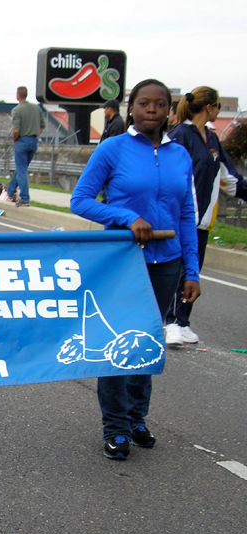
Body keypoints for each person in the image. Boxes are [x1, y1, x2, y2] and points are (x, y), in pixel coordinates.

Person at [70, 78, 201, 460]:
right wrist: (128, 217)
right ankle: (115, 428)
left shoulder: (180, 155)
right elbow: (81, 201)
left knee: (146, 340)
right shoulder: (113, 148)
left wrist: (191, 270)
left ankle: (136, 417)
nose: (152, 110)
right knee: (118, 343)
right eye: (144, 103)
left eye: (160, 104)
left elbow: (188, 214)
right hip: (124, 261)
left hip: (168, 263)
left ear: (170, 110)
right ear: (131, 108)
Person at [164, 86, 247, 346]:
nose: (219, 110)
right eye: (219, 105)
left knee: (193, 272)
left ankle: (183, 321)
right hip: (179, 220)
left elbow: (228, 178)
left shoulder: (212, 140)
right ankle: (170, 322)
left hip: (202, 221)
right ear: (209, 107)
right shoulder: (180, 136)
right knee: (176, 270)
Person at [7, 86, 45, 206]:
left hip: (21, 141)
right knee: (22, 168)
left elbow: (15, 130)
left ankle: (24, 198)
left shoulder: (17, 110)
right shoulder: (36, 108)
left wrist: (15, 139)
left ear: (18, 95)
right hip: (33, 141)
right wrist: (35, 134)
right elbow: (42, 125)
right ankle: (10, 190)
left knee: (21, 170)